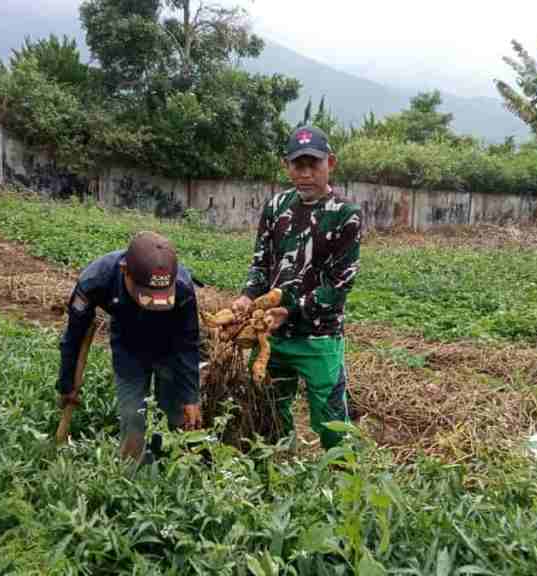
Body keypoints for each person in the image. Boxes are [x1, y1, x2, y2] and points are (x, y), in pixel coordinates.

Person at [232, 125, 362, 450]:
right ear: (285, 165)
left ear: (330, 163)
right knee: (269, 410)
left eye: (313, 165)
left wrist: (288, 310)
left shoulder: (346, 215)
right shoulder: (276, 207)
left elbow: (338, 286)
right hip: (272, 337)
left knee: (331, 420)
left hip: (319, 336)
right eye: (297, 165)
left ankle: (343, 480)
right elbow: (261, 262)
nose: (305, 174)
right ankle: (280, 473)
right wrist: (248, 296)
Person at [56, 231, 203, 461]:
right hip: (128, 348)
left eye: (162, 298)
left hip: (170, 350)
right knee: (133, 418)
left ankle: (168, 471)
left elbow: (188, 343)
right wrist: (67, 383)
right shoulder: (96, 280)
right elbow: (74, 336)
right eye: (146, 296)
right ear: (125, 271)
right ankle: (130, 478)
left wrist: (191, 396)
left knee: (176, 419)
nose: (154, 303)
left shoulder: (182, 287)